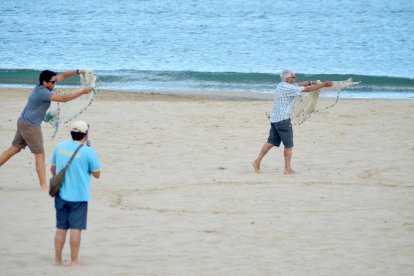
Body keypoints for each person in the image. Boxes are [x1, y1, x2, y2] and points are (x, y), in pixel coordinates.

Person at [0, 69, 92, 192]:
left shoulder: (43, 84)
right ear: (44, 82)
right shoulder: (43, 92)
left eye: (55, 82)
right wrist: (82, 92)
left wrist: (78, 71)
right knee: (39, 155)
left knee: (15, 148)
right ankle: (43, 187)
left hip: (23, 121)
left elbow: (63, 75)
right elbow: (63, 99)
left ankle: (43, 185)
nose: (54, 84)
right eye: (52, 83)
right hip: (31, 126)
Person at [252, 69, 333, 175]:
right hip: (283, 120)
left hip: (275, 119)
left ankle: (257, 161)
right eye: (293, 77)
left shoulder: (281, 85)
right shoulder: (289, 88)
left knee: (271, 142)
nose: (295, 78)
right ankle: (287, 169)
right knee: (288, 145)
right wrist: (323, 84)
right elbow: (307, 90)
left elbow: (298, 85)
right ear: (287, 79)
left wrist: (310, 82)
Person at [51, 120, 101, 266]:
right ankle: (74, 261)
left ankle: (57, 260)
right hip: (79, 196)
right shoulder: (88, 151)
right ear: (85, 134)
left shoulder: (60, 147)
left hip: (60, 194)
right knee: (75, 229)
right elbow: (97, 174)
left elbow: (53, 170)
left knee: (61, 228)